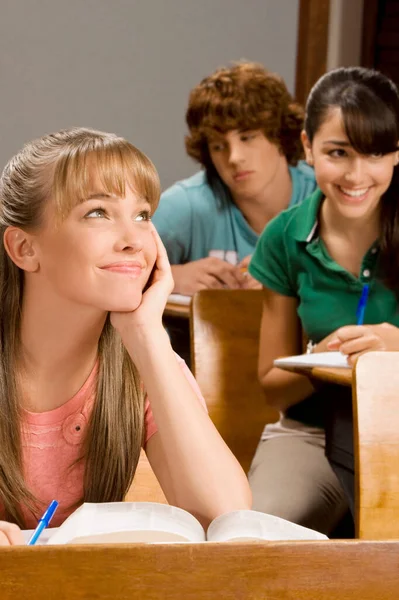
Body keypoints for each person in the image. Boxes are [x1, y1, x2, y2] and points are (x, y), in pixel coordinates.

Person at [0, 127, 251, 545]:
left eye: (142, 215)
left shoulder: (145, 363)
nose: (134, 240)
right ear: (25, 248)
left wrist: (147, 334)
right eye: (97, 212)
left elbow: (227, 520)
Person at [247, 66, 399, 535]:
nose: (357, 175)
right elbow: (273, 384)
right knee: (255, 536)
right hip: (311, 433)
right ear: (308, 147)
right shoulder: (283, 237)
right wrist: (318, 358)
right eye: (338, 153)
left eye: (375, 154)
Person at [152, 61, 316, 295]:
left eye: (248, 138)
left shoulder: (325, 196)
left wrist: (285, 281)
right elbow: (101, 266)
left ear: (279, 135)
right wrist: (169, 278)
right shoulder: (189, 204)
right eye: (218, 146)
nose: (234, 158)